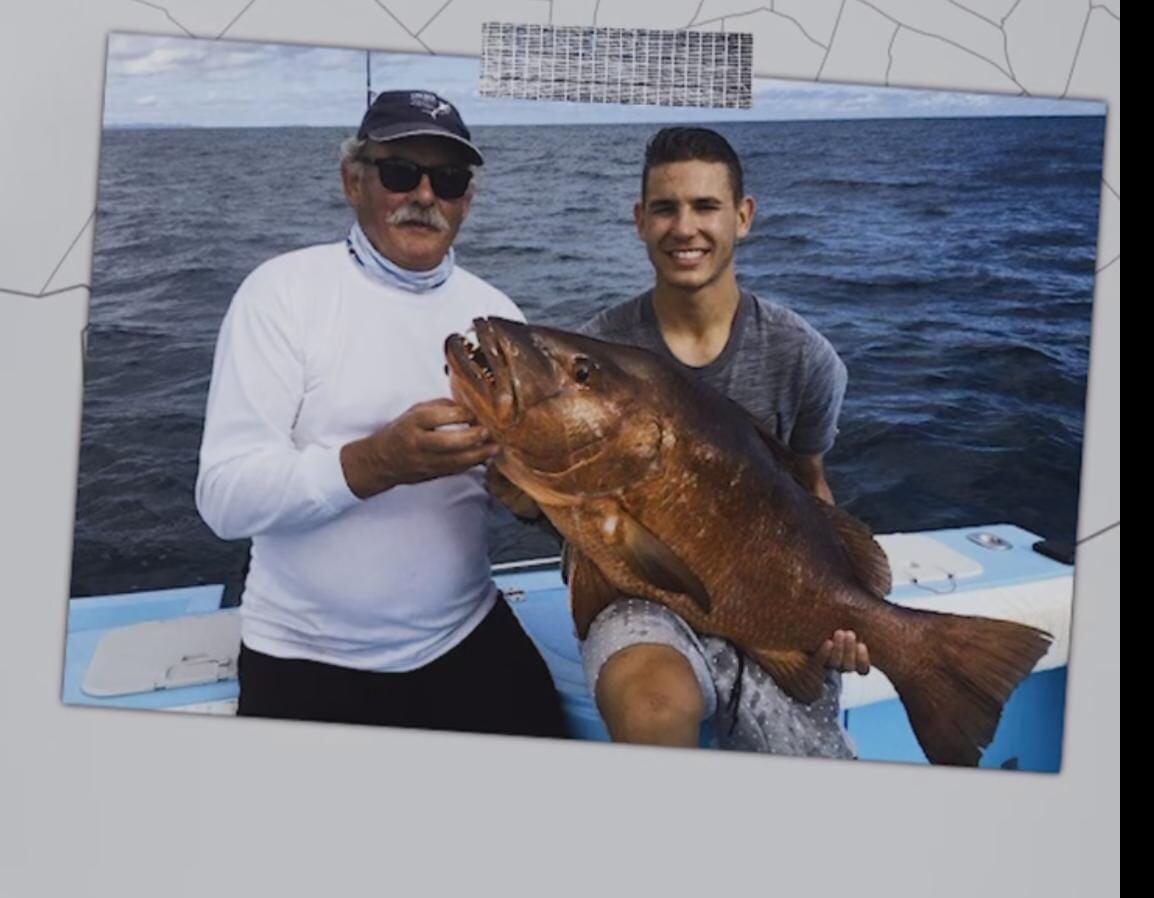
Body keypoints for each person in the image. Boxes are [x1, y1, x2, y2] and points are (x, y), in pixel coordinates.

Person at [194, 90, 566, 740]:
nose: (425, 195)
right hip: (303, 656)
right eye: (401, 172)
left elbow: (518, 490)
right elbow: (224, 499)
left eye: (448, 180)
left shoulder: (498, 315)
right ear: (353, 180)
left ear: (467, 200)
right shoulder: (281, 294)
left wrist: (525, 495)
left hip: (466, 633)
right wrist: (379, 462)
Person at [553, 126, 869, 755]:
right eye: (665, 208)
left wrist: (847, 611)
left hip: (770, 590)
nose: (684, 228)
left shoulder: (804, 356)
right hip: (636, 588)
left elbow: (811, 485)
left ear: (743, 217)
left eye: (705, 207)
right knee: (652, 705)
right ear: (640, 221)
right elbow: (567, 507)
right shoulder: (591, 352)